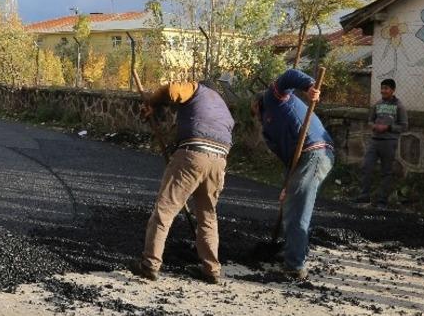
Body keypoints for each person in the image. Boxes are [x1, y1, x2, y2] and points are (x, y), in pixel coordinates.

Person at [129, 81, 234, 284]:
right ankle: (211, 268)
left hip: (193, 154)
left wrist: (152, 102)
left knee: (164, 211)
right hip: (219, 160)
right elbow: (195, 129)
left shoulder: (196, 89)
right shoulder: (221, 106)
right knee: (207, 216)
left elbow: (170, 90)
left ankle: (150, 264)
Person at [253, 69, 334, 280]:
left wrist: (309, 87)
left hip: (315, 151)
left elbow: (289, 76)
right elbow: (290, 162)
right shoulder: (269, 131)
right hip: (303, 160)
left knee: (297, 209)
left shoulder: (274, 99)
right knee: (292, 202)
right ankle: (293, 251)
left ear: (258, 104)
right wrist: (286, 186)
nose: (255, 115)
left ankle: (295, 265)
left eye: (254, 110)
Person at [356, 78, 408, 206]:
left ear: (393, 90)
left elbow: (404, 126)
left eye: (386, 88)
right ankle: (364, 195)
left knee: (386, 171)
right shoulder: (377, 104)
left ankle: (382, 200)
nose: (383, 91)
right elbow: (370, 120)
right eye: (382, 88)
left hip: (389, 142)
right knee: (366, 166)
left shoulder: (399, 106)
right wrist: (374, 126)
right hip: (374, 141)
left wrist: (388, 128)